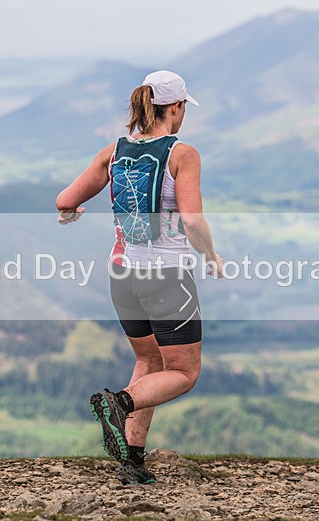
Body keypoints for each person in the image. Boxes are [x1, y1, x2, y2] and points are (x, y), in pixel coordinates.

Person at [55, 70, 223, 485]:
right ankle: (119, 403)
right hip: (165, 274)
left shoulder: (113, 150)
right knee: (183, 373)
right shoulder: (183, 153)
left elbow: (65, 199)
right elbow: (193, 219)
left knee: (149, 359)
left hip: (121, 273)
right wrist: (211, 254)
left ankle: (131, 459)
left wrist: (70, 212)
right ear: (177, 107)